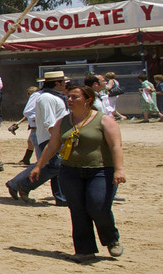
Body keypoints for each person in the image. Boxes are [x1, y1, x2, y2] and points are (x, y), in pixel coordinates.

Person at [32, 80, 126, 262]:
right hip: (70, 171)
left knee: (98, 206)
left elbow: (116, 146)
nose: (70, 100)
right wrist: (39, 165)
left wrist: (119, 169)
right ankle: (85, 249)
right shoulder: (63, 122)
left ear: (88, 99)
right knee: (78, 210)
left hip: (101, 171)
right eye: (68, 97)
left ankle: (111, 239)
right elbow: (52, 146)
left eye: (75, 97)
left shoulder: (104, 120)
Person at [7, 71, 68, 203]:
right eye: (63, 82)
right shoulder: (46, 98)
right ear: (57, 83)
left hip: (54, 136)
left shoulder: (55, 97)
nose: (65, 84)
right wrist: (57, 138)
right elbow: (49, 121)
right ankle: (21, 184)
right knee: (54, 165)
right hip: (50, 137)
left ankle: (61, 197)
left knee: (55, 166)